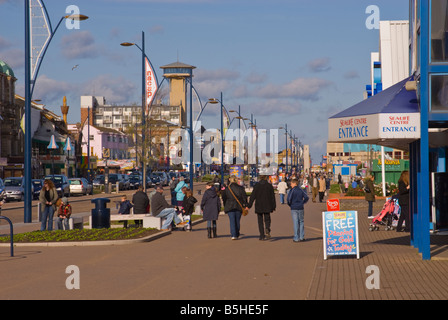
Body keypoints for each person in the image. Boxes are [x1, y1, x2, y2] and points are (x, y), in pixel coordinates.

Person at [248, 175, 276, 240]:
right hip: (267, 205)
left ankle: (262, 236)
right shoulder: (269, 186)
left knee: (260, 221)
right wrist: (273, 206)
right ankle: (267, 228)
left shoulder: (257, 186)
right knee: (267, 219)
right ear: (266, 178)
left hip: (259, 205)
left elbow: (252, 196)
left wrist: (249, 205)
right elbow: (272, 197)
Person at [221, 175, 248, 240]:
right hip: (239, 206)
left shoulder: (227, 189)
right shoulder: (241, 188)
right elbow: (244, 197)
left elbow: (224, 198)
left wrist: (225, 205)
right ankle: (237, 232)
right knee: (237, 220)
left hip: (229, 206)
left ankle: (233, 235)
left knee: (232, 221)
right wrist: (245, 205)